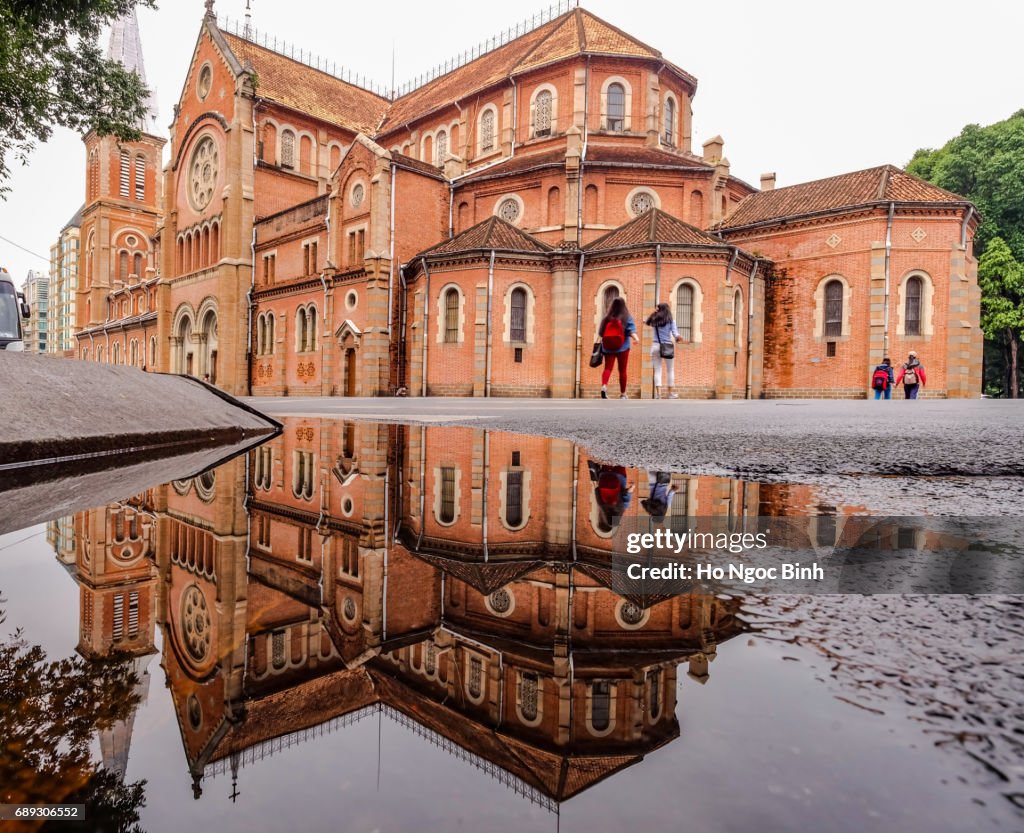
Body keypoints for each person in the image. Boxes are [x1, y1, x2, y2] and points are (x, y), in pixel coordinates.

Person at [598, 296, 639, 399]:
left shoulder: (607, 317)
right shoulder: (627, 316)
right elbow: (631, 331)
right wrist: (636, 339)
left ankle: (604, 385)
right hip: (623, 347)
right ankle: (623, 394)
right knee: (622, 370)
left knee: (607, 368)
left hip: (608, 347)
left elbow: (601, 333)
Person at [645, 303, 683, 399]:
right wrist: (678, 337)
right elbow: (675, 334)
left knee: (657, 370)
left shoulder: (654, 320)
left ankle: (658, 394)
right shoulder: (671, 321)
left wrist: (655, 313)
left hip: (655, 346)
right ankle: (670, 394)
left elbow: (646, 321)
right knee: (670, 370)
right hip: (667, 346)